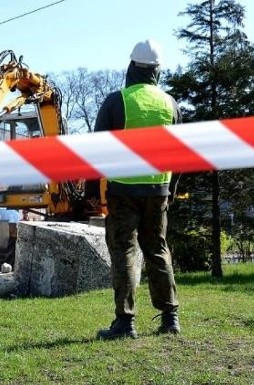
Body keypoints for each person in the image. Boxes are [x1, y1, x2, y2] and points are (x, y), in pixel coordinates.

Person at [88, 38, 182, 339]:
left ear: (131, 67)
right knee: (157, 249)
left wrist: (92, 189)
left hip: (123, 191)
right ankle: (170, 319)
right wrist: (172, 188)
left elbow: (96, 149)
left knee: (124, 252)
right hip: (158, 190)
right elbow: (181, 152)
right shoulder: (170, 104)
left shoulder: (118, 101)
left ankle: (125, 323)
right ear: (157, 70)